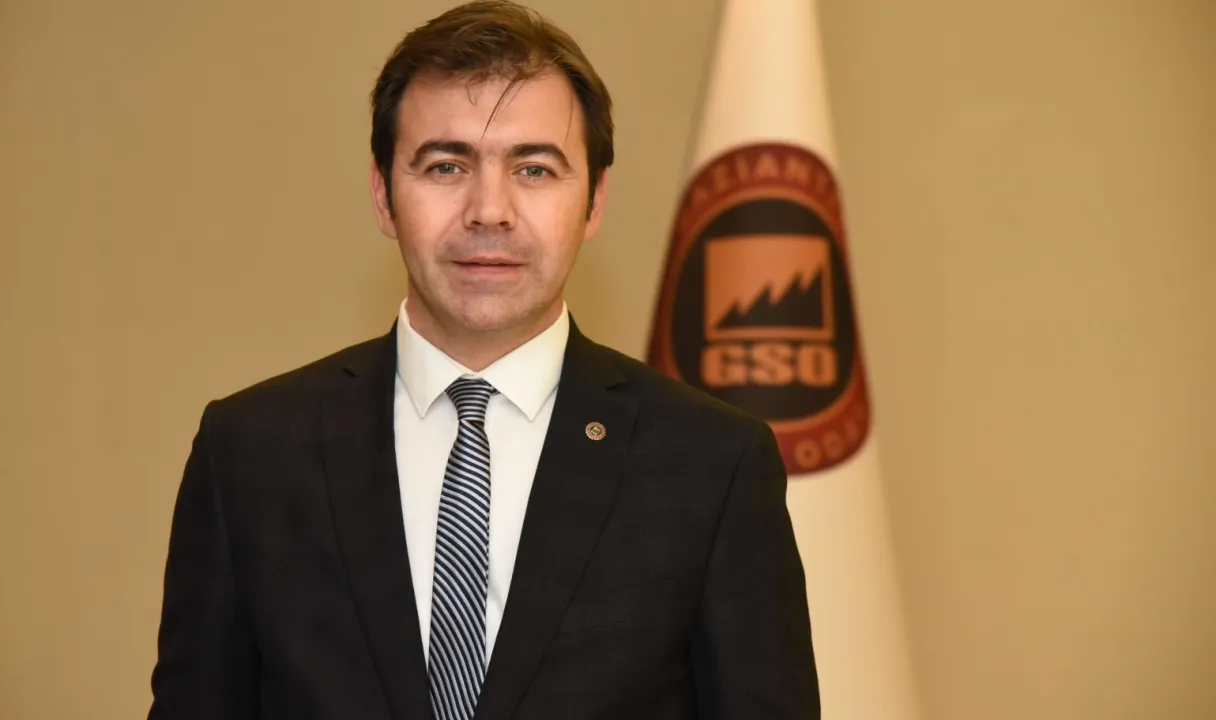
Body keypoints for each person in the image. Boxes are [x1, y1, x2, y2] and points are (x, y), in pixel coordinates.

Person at [146, 1, 819, 718]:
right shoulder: (250, 453)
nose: (489, 210)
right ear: (383, 196)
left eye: (534, 169)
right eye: (446, 166)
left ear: (593, 202)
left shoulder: (712, 465)